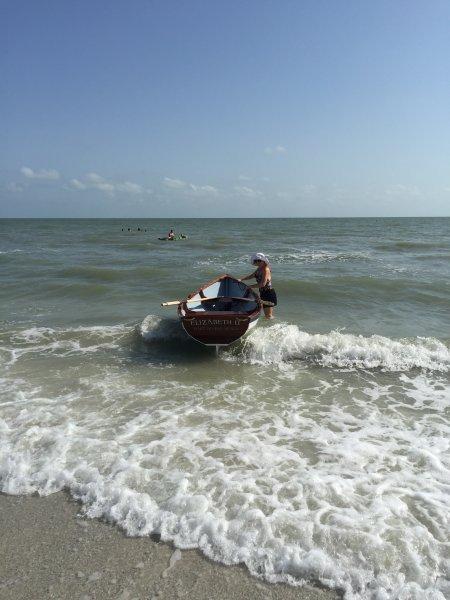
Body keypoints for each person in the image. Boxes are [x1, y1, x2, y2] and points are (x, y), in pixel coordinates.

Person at [240, 252, 277, 318]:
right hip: (263, 293)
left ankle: (274, 327)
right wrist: (241, 279)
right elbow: (252, 275)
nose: (255, 263)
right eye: (255, 261)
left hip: (268, 293)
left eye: (257, 261)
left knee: (268, 315)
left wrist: (250, 286)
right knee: (267, 315)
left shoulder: (266, 269)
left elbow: (263, 284)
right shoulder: (259, 268)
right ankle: (270, 326)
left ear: (262, 261)